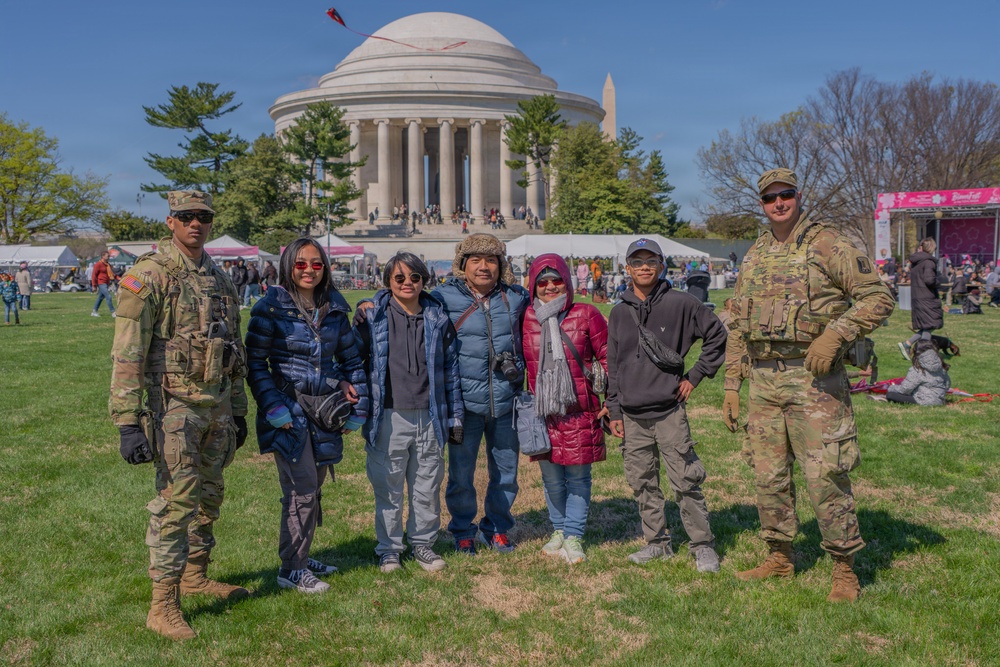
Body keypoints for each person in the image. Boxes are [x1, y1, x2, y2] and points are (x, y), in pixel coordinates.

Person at [722, 168, 894, 603]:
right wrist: (730, 384)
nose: (778, 203)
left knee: (825, 476)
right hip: (763, 380)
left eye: (786, 195)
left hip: (813, 380)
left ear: (799, 196)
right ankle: (779, 557)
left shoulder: (828, 243)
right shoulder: (757, 251)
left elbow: (878, 296)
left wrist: (836, 334)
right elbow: (739, 319)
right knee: (768, 474)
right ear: (761, 204)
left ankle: (844, 569)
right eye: (769, 198)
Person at [109, 191, 250, 640]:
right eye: (187, 217)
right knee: (176, 503)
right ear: (170, 221)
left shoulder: (220, 278)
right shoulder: (148, 275)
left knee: (210, 497)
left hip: (217, 406)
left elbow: (235, 351)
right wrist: (128, 422)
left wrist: (240, 410)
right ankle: (163, 605)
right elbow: (127, 351)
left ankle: (195, 576)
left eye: (204, 217)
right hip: (174, 409)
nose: (196, 224)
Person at [245, 237, 369, 595]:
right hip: (288, 411)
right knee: (301, 490)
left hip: (324, 411)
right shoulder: (270, 308)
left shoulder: (333, 307)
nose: (309, 270)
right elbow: (255, 364)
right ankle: (292, 570)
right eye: (301, 264)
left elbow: (351, 361)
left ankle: (300, 555)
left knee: (311, 489)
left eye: (317, 264)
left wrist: (358, 407)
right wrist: (274, 407)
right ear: (288, 267)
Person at [606, 238, 727, 572]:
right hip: (631, 415)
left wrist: (696, 375)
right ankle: (657, 543)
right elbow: (612, 365)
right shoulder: (618, 312)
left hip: (669, 411)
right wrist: (614, 410)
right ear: (627, 268)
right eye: (637, 261)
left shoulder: (681, 304)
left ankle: (702, 545)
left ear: (661, 265)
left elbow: (717, 335)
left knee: (685, 481)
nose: (644, 266)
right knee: (642, 482)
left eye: (651, 261)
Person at [354, 252, 463, 573]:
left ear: (423, 280)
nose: (407, 284)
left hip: (430, 415)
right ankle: (388, 548)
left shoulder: (437, 317)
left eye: (414, 277)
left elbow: (451, 371)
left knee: (427, 486)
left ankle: (423, 545)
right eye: (399, 278)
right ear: (388, 281)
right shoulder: (372, 317)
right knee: (388, 486)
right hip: (388, 415)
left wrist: (454, 416)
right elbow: (352, 362)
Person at [522, 254, 608, 564]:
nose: (549, 286)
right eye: (542, 281)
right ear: (533, 284)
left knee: (578, 478)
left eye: (556, 280)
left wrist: (609, 398)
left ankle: (573, 535)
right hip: (543, 412)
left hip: (578, 409)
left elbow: (609, 356)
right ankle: (558, 529)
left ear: (567, 282)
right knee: (552, 479)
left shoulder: (586, 314)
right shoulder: (526, 317)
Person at [899, 238, 943, 361]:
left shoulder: (917, 261)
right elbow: (929, 280)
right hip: (927, 297)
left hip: (918, 297)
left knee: (926, 326)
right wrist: (938, 282)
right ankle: (922, 353)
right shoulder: (929, 262)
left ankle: (908, 344)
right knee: (930, 325)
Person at [879, 339, 950, 406]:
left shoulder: (917, 369)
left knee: (891, 395)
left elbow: (905, 389)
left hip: (923, 400)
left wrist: (891, 388)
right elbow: (947, 385)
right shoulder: (941, 367)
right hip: (940, 401)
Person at [91, 251, 116, 317]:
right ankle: (113, 312)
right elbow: (94, 275)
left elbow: (112, 274)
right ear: (103, 256)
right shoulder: (98, 264)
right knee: (108, 296)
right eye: (107, 256)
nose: (109, 257)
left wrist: (120, 278)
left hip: (106, 283)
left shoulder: (108, 265)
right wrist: (94, 285)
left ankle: (94, 311)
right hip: (101, 283)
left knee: (100, 298)